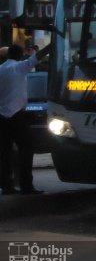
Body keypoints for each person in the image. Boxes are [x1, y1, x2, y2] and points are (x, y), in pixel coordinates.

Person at [0, 43, 50, 195]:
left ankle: (7, 186)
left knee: (4, 153)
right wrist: (52, 44)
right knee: (26, 150)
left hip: (1, 116)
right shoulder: (20, 67)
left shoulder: (1, 69)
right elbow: (37, 57)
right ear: (20, 55)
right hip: (17, 115)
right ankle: (26, 185)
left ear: (8, 55)